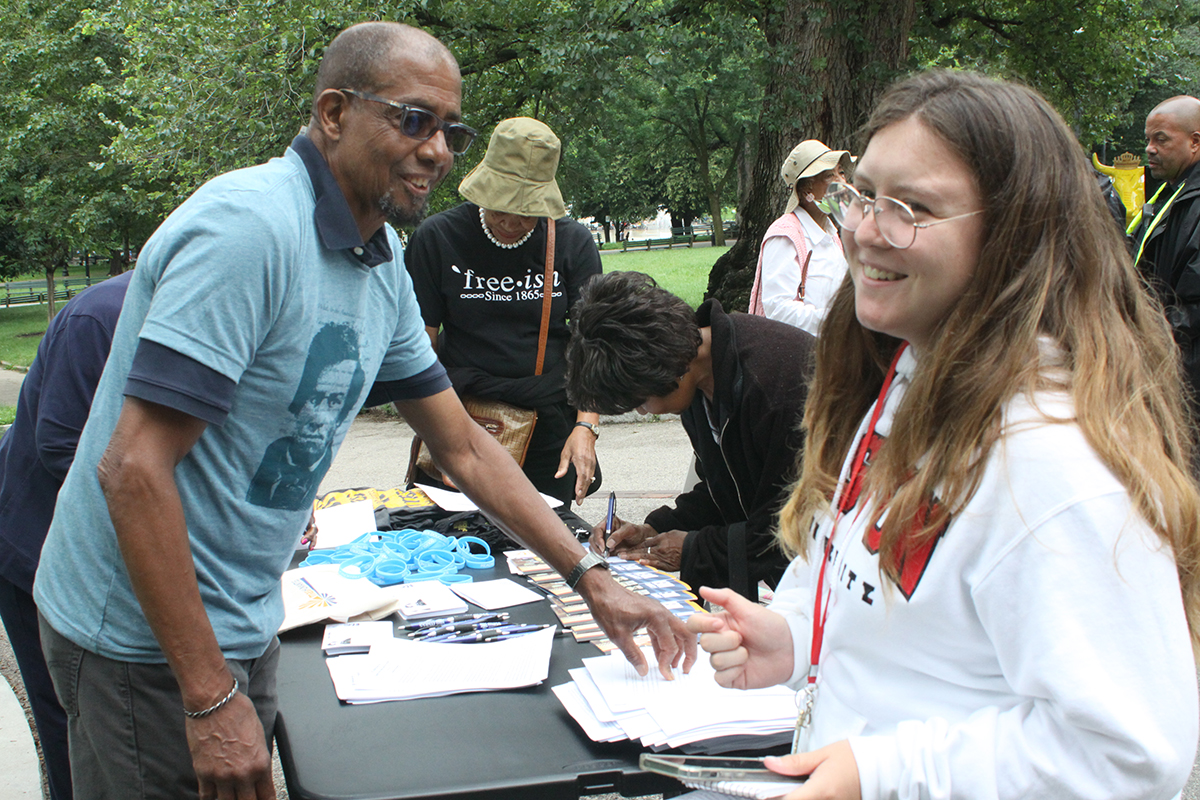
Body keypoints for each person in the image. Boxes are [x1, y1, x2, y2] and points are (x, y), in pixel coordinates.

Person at [31, 23, 693, 800]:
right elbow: (133, 469)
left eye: (452, 130)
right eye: (414, 119)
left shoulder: (378, 263)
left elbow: (468, 449)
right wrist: (210, 696)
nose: (439, 150)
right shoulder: (250, 230)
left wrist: (588, 574)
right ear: (335, 113)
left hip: (245, 615)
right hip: (140, 641)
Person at [687, 70, 1200, 800]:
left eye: (912, 207)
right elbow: (885, 595)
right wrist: (797, 636)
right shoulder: (907, 377)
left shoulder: (1052, 462)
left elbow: (1128, 751)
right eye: (861, 194)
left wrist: (885, 771)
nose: (864, 229)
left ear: (1015, 232)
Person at [565, 271, 814, 600]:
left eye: (640, 401)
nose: (643, 412)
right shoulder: (703, 374)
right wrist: (656, 529)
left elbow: (791, 527)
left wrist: (695, 548)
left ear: (666, 368)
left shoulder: (776, 389)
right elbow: (728, 490)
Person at [406, 117, 603, 505]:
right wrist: (438, 431)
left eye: (526, 210)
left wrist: (586, 427)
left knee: (544, 553)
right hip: (458, 415)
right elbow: (419, 347)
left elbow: (591, 345)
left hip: (548, 423)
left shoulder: (572, 243)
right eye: (501, 206)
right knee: (445, 543)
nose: (511, 222)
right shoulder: (437, 238)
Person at [0, 271, 132, 800]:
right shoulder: (98, 318)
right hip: (38, 549)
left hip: (111, 552)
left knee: (123, 726)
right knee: (74, 726)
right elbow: (62, 445)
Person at [1130, 95, 1200, 427]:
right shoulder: (1172, 193)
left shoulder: (1193, 202)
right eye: (1148, 139)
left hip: (1185, 380)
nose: (1150, 149)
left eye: (1162, 139)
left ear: (1194, 143)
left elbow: (1193, 308)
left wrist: (1140, 332)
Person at [748, 139, 853, 335]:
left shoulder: (831, 234)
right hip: (797, 358)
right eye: (830, 175)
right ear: (806, 190)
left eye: (842, 172)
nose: (842, 182)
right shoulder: (785, 234)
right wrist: (840, 320)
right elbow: (778, 310)